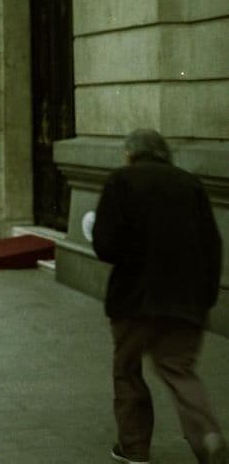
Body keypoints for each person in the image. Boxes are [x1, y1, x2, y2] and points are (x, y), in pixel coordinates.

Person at [91, 129, 225, 464]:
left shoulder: (120, 181)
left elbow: (106, 245)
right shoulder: (191, 184)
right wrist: (205, 296)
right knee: (180, 371)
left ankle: (134, 449)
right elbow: (213, 245)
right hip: (187, 302)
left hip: (134, 301)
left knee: (128, 369)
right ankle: (209, 436)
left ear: (130, 153)